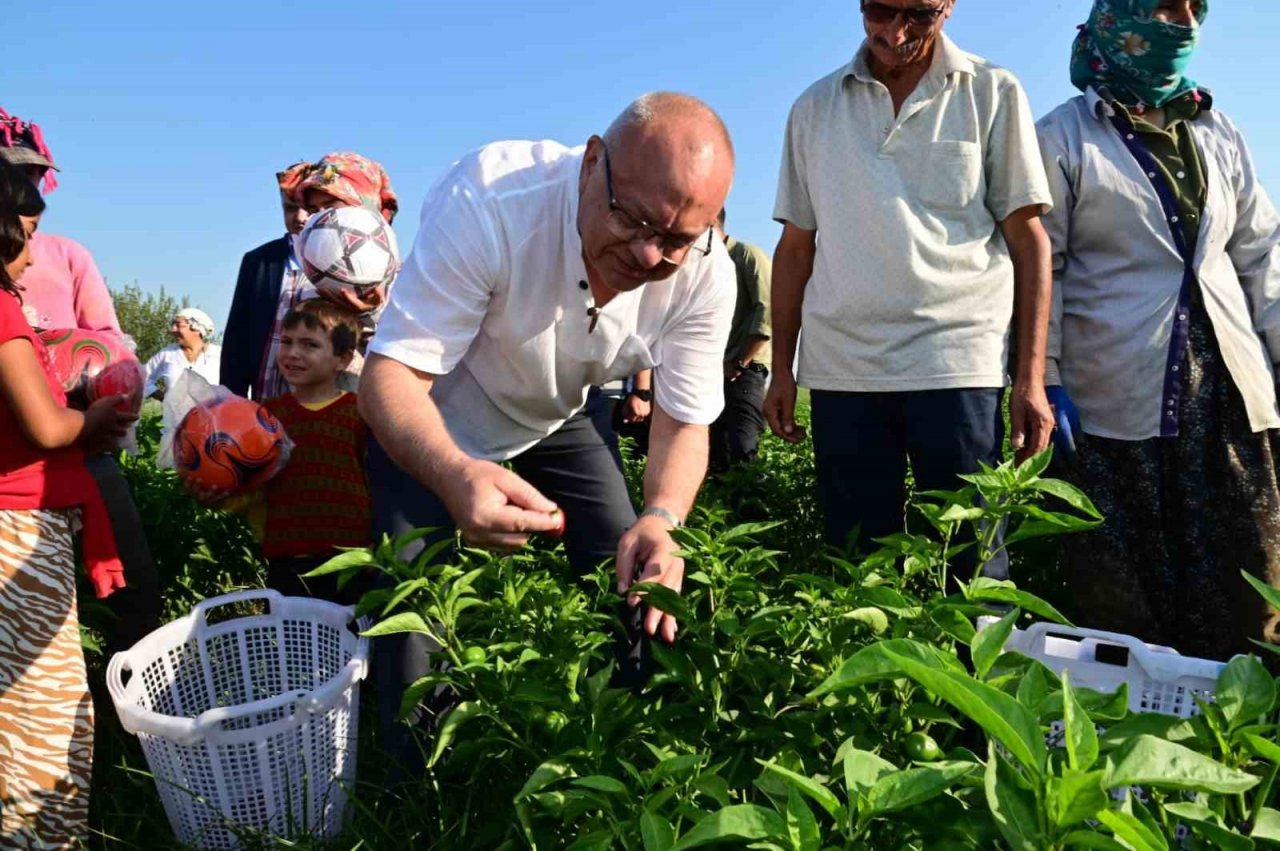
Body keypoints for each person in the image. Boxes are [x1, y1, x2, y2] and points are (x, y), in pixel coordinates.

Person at [360, 92, 736, 764]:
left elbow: (683, 423)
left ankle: (630, 753)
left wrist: (663, 516)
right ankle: (418, 794)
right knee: (413, 615)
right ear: (593, 162)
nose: (651, 255)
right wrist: (453, 472)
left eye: (679, 239)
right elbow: (388, 380)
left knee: (634, 561)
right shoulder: (494, 200)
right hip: (434, 421)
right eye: (636, 219)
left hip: (558, 414)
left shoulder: (706, 273)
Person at [765, 0, 1055, 576]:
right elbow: (796, 250)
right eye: (879, 9)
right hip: (845, 369)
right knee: (856, 568)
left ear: (949, 7)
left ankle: (972, 670)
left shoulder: (991, 91)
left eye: (919, 15)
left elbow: (1031, 243)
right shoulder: (814, 108)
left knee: (971, 565)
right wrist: (781, 367)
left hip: (956, 365)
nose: (894, 32)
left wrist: (1031, 378)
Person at [1038, 0, 1280, 659]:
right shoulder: (1065, 137)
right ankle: (1135, 748)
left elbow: (1261, 254)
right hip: (1116, 405)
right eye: (1163, 6)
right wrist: (1044, 377)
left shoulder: (1217, 129)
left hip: (1228, 401)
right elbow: (1043, 270)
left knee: (1251, 589)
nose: (1180, 22)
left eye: (1190, 8)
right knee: (1126, 611)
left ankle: (1242, 748)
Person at [0, 160, 134, 845]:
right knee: (46, 712)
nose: (31, 255)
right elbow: (47, 428)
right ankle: (40, 837)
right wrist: (99, 414)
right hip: (18, 527)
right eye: (23, 233)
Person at [0, 107, 160, 654]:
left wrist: (87, 388)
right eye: (11, 172)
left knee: (129, 584)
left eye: (31, 172)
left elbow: (112, 347)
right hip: (19, 463)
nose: (25, 183)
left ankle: (125, 705)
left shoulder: (67, 255)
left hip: (82, 445)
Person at [258, 300, 372, 603]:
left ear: (342, 359)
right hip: (287, 559)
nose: (293, 353)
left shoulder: (359, 414)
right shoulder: (265, 416)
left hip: (352, 561)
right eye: (287, 342)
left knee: (352, 642)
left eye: (309, 345)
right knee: (293, 645)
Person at [220, 161, 313, 400]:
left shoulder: (346, 265)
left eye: (309, 209)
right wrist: (231, 401)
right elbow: (237, 337)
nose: (300, 218)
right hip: (267, 398)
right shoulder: (260, 261)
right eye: (290, 208)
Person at [710, 209, 772, 474]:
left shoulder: (747, 255)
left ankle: (752, 514)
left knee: (742, 450)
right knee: (715, 455)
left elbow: (768, 312)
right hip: (714, 372)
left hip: (744, 371)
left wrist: (739, 362)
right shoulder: (704, 265)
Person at [143, 307, 221, 400]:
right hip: (176, 414)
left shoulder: (218, 354)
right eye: (173, 324)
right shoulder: (167, 354)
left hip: (213, 414)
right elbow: (142, 378)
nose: (173, 329)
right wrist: (164, 399)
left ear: (196, 327)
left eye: (178, 324)